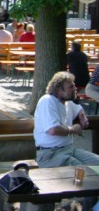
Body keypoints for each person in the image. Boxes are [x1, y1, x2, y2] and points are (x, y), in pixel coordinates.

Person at [34, 71, 99, 210]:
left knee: (97, 165)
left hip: (69, 150)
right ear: (59, 90)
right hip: (50, 154)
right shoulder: (47, 101)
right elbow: (52, 129)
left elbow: (78, 108)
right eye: (71, 87)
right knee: (89, 176)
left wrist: (82, 115)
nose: (75, 89)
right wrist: (73, 129)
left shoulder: (67, 103)